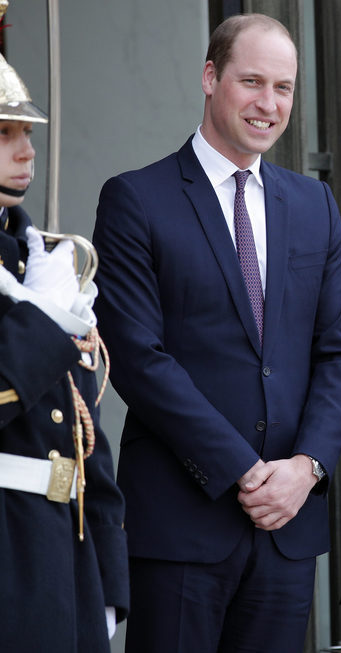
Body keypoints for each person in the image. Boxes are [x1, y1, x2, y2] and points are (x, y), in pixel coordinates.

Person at [92, 13, 341, 653]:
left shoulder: (314, 205)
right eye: (252, 82)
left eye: (285, 88)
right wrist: (244, 469)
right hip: (182, 523)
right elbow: (137, 358)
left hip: (288, 526)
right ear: (211, 78)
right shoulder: (136, 199)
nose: (269, 104)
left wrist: (306, 468)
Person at [0, 32, 128, 652]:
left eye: (27, 134)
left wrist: (106, 583)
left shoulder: (45, 263)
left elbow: (84, 436)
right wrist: (46, 322)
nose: (26, 152)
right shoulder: (45, 288)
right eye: (5, 135)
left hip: (65, 555)